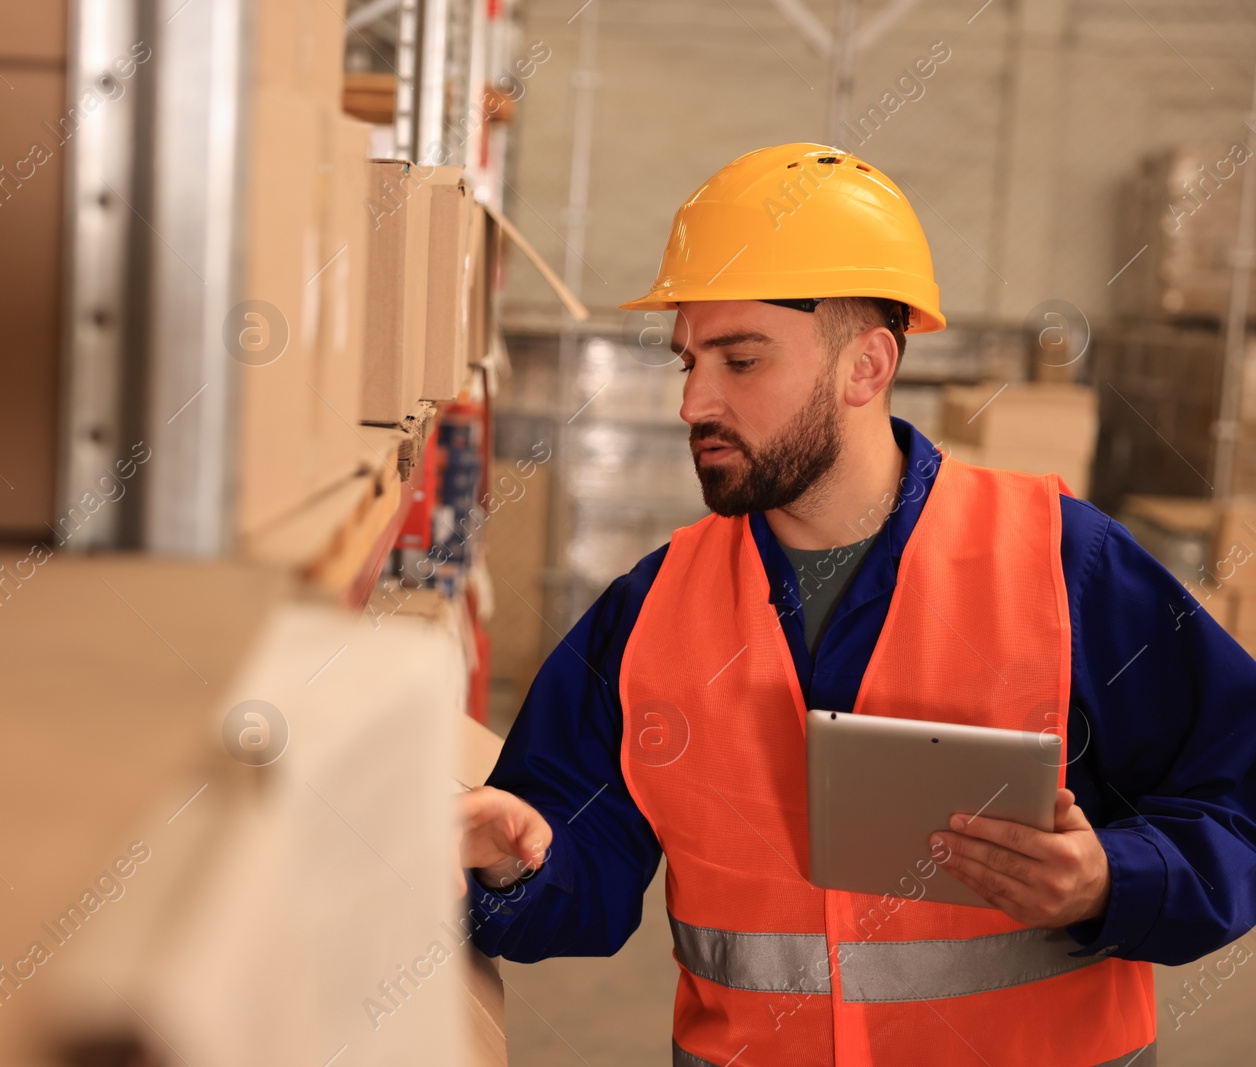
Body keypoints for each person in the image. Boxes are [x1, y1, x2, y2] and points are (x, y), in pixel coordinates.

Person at [457, 143, 1256, 1066]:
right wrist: (520, 860)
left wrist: (1112, 878)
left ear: (867, 366)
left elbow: (1235, 792)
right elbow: (576, 864)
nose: (694, 402)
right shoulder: (648, 612)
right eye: (688, 362)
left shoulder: (1062, 562)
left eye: (741, 360)